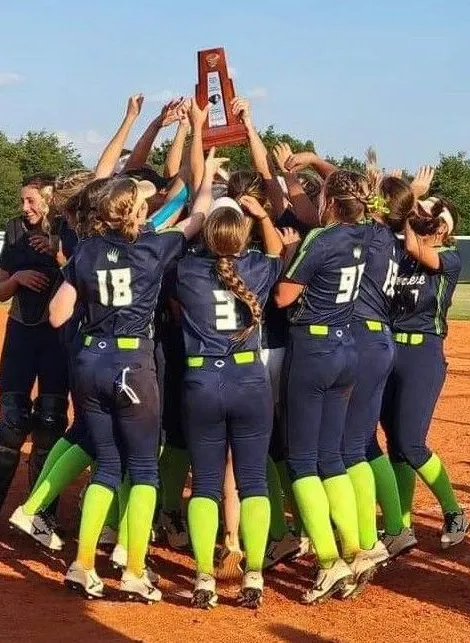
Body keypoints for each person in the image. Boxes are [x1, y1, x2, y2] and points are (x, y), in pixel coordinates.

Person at [47, 149, 215, 602]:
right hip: (132, 364)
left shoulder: (85, 250)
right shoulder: (152, 246)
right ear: (136, 212)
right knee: (142, 469)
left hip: (90, 362)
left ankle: (83, 564)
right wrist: (206, 175)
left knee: (106, 465)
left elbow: (58, 314)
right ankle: (135, 570)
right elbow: (199, 216)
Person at [176, 189, 284, 609]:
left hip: (202, 380)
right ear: (242, 234)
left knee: (205, 484)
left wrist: (198, 216)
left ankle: (204, 576)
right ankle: (253, 573)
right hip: (249, 380)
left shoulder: (186, 268)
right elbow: (276, 251)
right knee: (253, 481)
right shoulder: (256, 266)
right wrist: (263, 217)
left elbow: (172, 240)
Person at [275, 170, 378, 604]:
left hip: (313, 348)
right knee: (331, 456)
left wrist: (288, 252)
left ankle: (329, 559)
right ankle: (356, 549)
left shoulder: (322, 237)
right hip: (346, 347)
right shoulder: (366, 235)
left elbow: (283, 297)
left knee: (302, 461)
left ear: (331, 203)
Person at [0, 174, 70, 541]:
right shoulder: (14, 229)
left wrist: (57, 252)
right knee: (11, 423)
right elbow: (1, 291)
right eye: (23, 201)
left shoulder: (68, 228)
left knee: (51, 422)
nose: (24, 208)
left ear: (49, 198)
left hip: (57, 337)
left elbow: (83, 274)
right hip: (21, 334)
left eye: (31, 200)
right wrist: (19, 278)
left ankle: (41, 515)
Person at [379, 196, 469, 550]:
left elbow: (418, 249)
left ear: (442, 227)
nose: (417, 214)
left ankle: (454, 512)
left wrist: (409, 202)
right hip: (390, 349)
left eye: (425, 212)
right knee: (395, 445)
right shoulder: (402, 254)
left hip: (422, 354)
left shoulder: (449, 258)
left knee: (411, 443)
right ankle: (402, 526)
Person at [341, 167, 416, 581]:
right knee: (366, 441)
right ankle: (397, 526)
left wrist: (317, 162)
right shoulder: (389, 237)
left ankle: (366, 540)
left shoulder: (370, 235)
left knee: (349, 447)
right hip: (380, 338)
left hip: (362, 340)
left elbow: (346, 196)